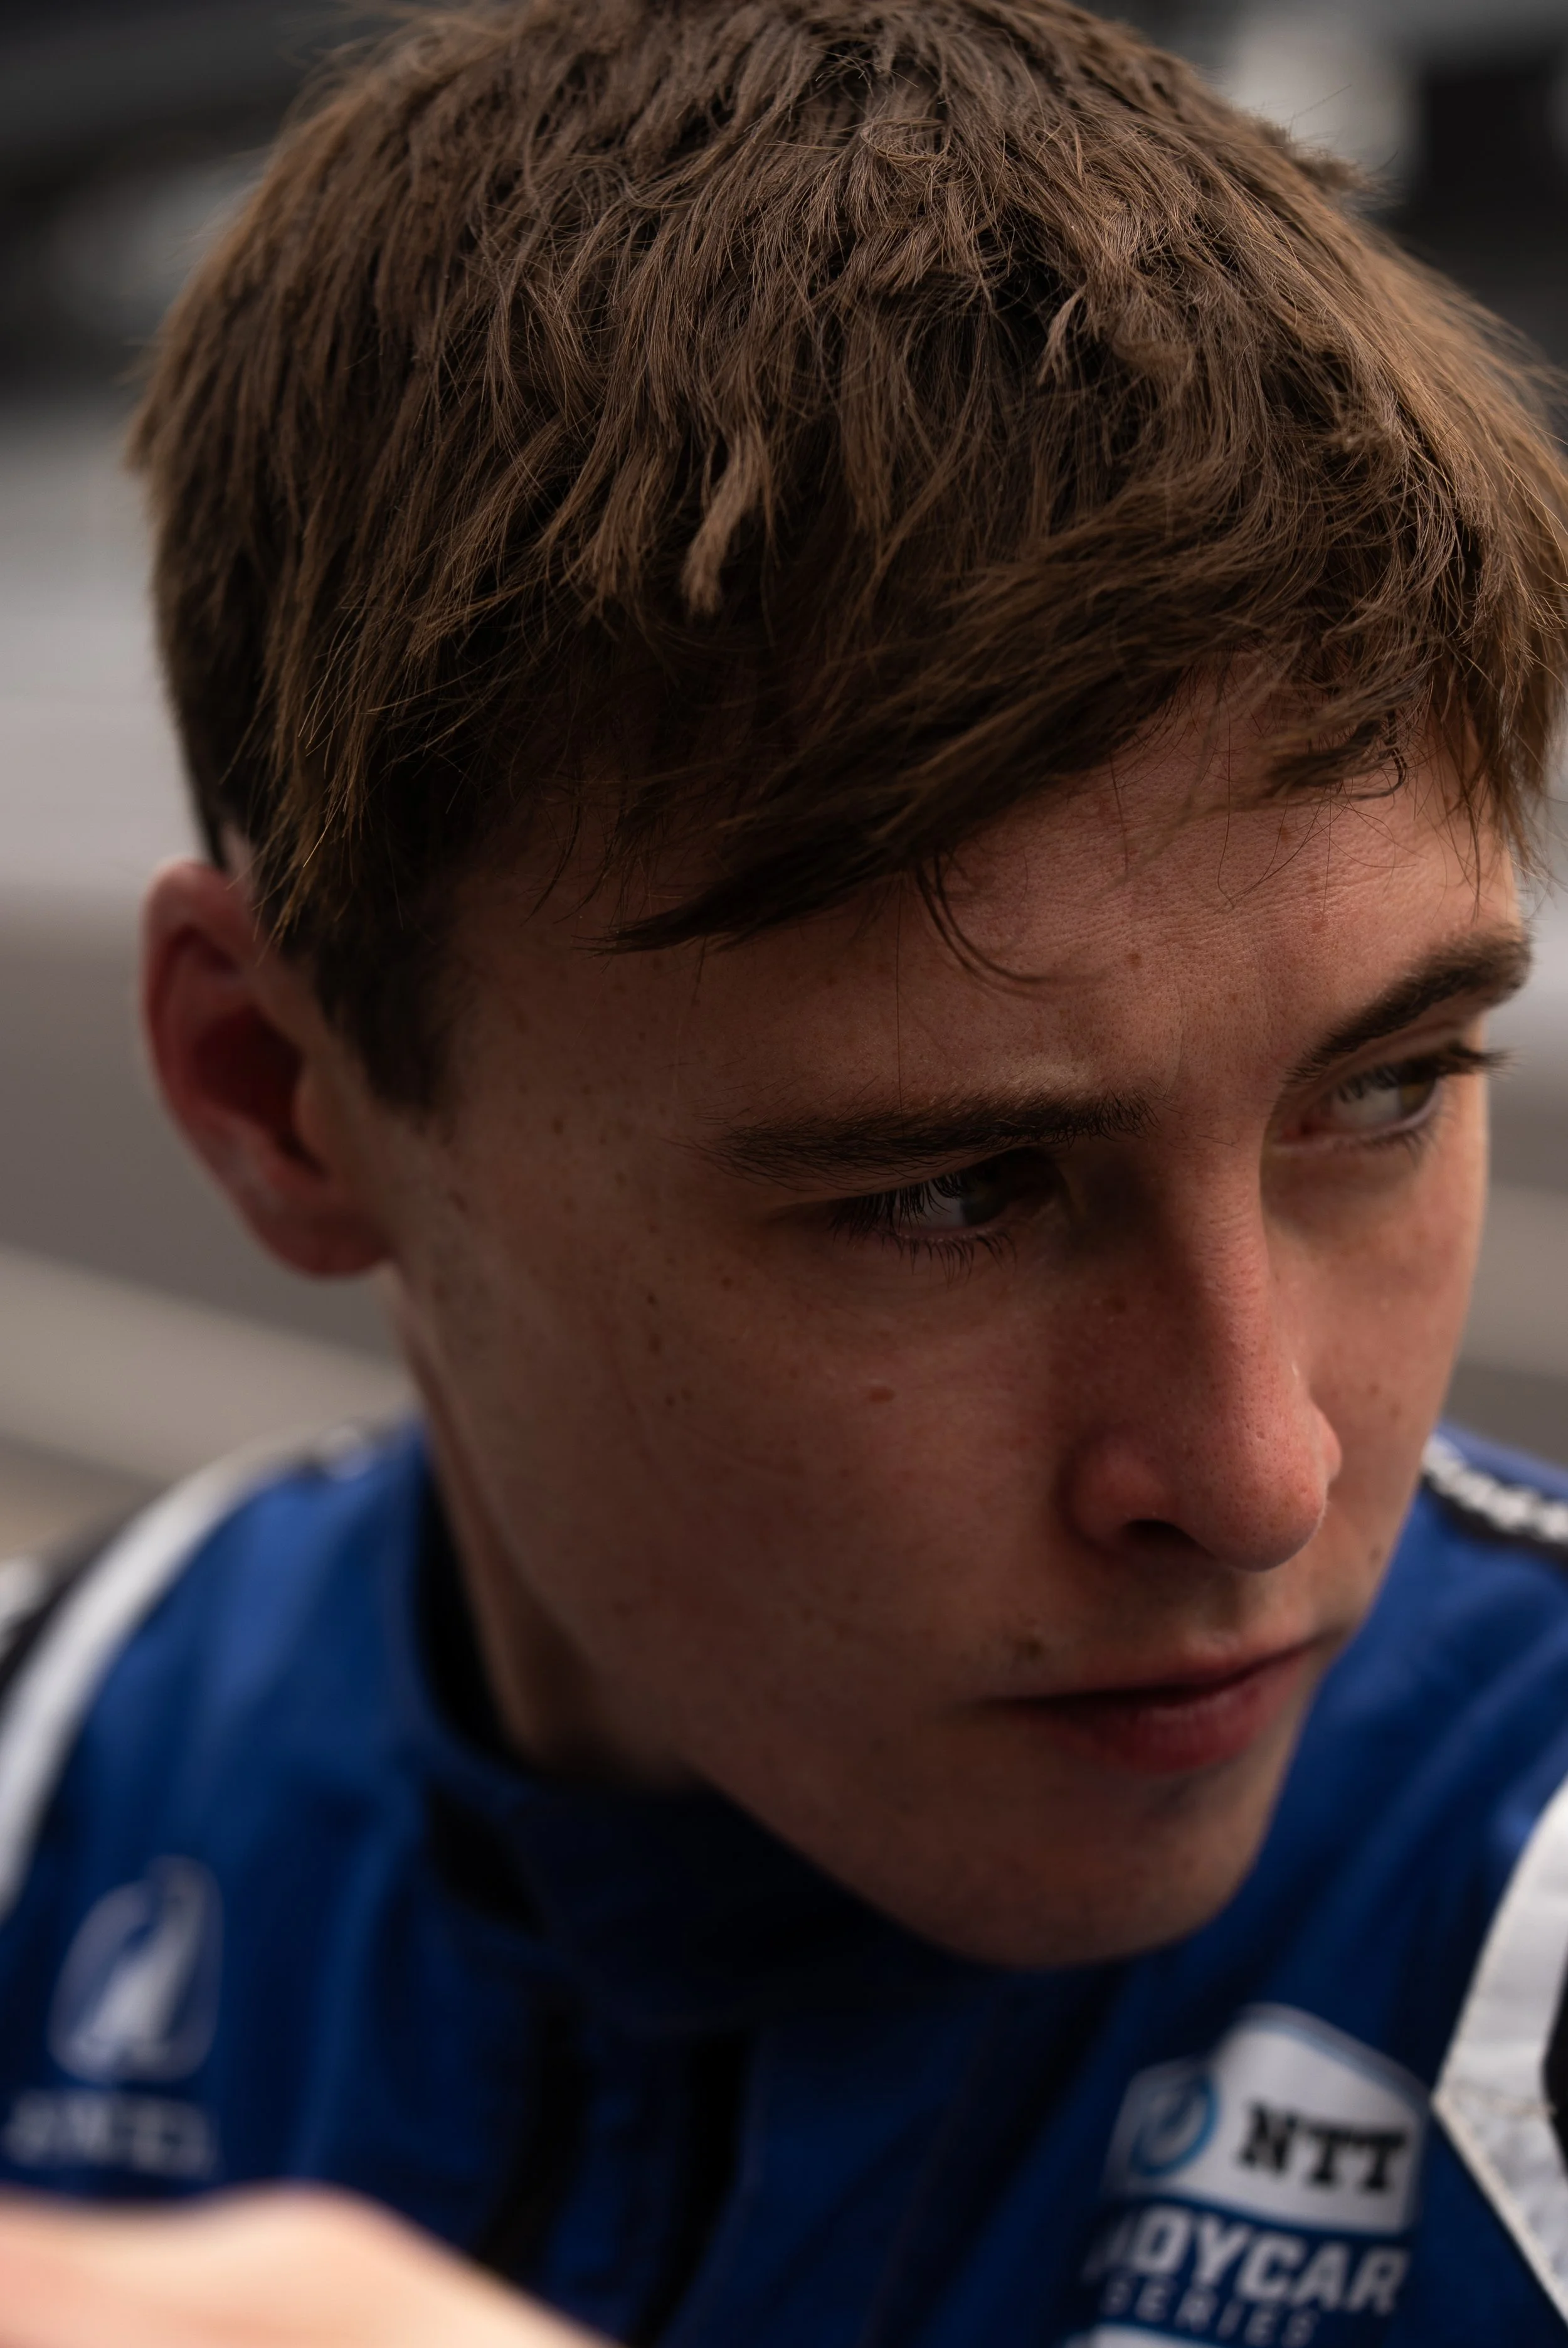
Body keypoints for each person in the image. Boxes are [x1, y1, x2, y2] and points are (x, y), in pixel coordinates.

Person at [3, 0, 1568, 2340]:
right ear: (274, 1090)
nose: (1252, 1471)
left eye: (1382, 1086)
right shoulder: (65, 1777)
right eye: (945, 1193)